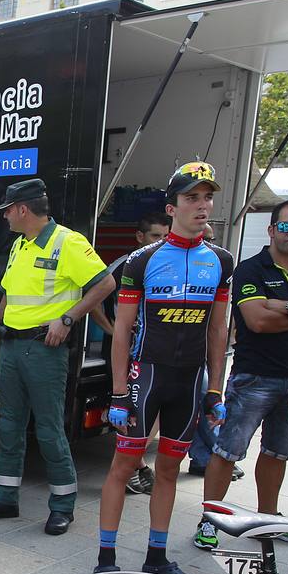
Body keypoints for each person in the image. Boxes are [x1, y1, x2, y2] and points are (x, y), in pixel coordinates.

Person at [95, 162, 233, 574]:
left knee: (170, 470)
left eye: (207, 197)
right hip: (147, 375)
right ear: (172, 207)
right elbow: (122, 333)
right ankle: (106, 558)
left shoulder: (222, 261)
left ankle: (157, 556)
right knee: (124, 464)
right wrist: (118, 393)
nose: (203, 206)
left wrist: (215, 389)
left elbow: (218, 330)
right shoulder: (144, 259)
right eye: (193, 198)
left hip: (190, 381)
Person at [0, 179, 116, 535]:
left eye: (7, 210)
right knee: (8, 426)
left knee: (50, 431)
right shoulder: (20, 245)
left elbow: (105, 284)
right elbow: (7, 299)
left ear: (22, 209)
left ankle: (62, 506)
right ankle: (5, 497)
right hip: (10, 347)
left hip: (44, 351)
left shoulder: (68, 241)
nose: (4, 217)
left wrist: (68, 319)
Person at [194, 200, 288, 550]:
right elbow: (256, 321)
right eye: (287, 226)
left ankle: (268, 519)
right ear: (272, 230)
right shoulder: (251, 270)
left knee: (277, 454)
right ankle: (210, 520)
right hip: (252, 377)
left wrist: (284, 305)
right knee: (227, 452)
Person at [105, 212, 171, 495]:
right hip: (132, 352)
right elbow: (95, 295)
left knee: (155, 413)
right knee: (130, 414)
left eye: (166, 236)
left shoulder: (170, 264)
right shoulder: (125, 265)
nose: (162, 242)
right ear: (139, 237)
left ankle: (136, 464)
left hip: (161, 353)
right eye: (156, 236)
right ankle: (129, 467)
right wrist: (111, 330)